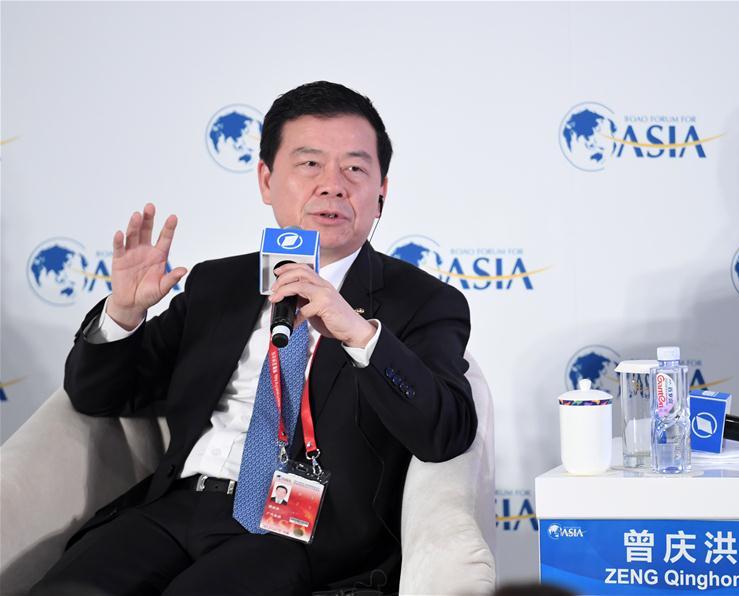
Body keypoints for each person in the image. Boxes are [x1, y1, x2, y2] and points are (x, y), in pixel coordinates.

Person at [31, 81, 477, 596]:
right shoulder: (218, 284)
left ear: (382, 191)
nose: (333, 185)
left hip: (298, 533)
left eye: (355, 169)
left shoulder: (423, 302)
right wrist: (123, 313)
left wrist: (359, 335)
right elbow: (98, 396)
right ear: (266, 180)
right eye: (309, 164)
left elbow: (447, 431)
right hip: (177, 507)